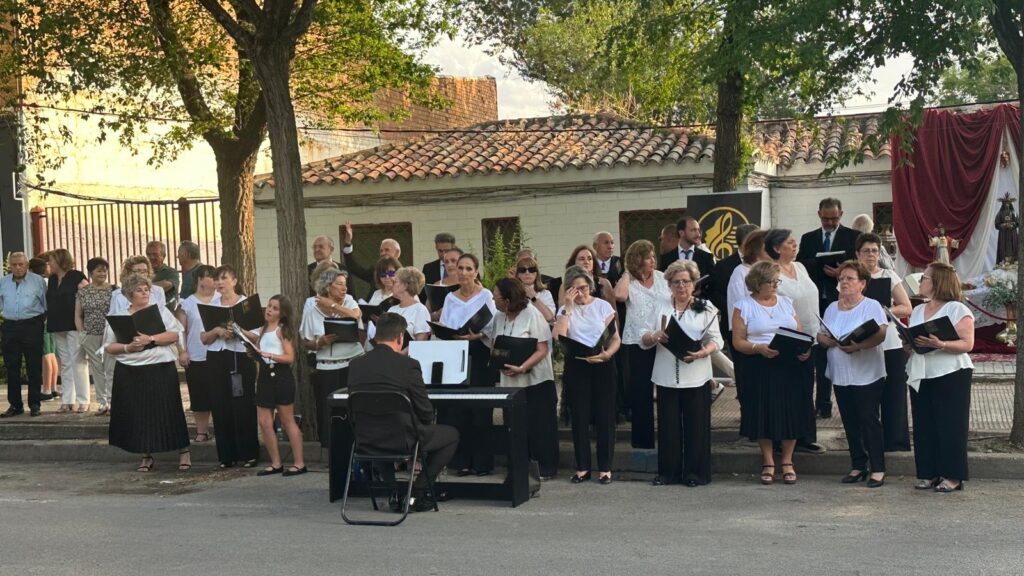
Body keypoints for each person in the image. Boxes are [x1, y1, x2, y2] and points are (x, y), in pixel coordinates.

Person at [347, 313, 460, 513]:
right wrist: (422, 421)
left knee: (379, 428)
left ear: (376, 336)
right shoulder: (408, 365)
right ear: (400, 337)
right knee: (451, 435)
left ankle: (392, 492)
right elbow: (425, 412)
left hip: (365, 439)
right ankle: (417, 491)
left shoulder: (356, 365)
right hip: (403, 439)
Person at [642, 261, 723, 486]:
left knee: (696, 427)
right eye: (676, 282)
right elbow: (643, 336)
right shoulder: (659, 305)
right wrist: (654, 336)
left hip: (696, 375)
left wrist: (703, 352)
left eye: (686, 281)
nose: (681, 286)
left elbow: (716, 339)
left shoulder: (705, 307)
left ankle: (695, 474)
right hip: (666, 374)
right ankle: (668, 473)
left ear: (694, 283)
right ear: (668, 284)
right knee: (668, 427)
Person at [732, 261, 813, 485]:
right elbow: (738, 342)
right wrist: (758, 348)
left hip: (788, 365)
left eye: (778, 281)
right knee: (763, 412)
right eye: (772, 282)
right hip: (760, 365)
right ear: (758, 284)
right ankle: (768, 461)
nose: (776, 285)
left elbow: (798, 332)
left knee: (791, 411)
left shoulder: (786, 302)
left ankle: (787, 461)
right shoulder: (743, 306)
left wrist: (803, 350)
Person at [104, 274, 190, 472]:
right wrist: (128, 348)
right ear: (129, 294)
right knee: (139, 414)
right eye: (139, 290)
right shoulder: (120, 316)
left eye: (146, 289)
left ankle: (183, 451)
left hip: (159, 367)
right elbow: (109, 346)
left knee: (168, 410)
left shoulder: (159, 311)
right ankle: (146, 455)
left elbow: (174, 334)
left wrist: (150, 339)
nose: (144, 293)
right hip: (130, 370)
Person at [817, 261, 889, 488]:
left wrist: (858, 346)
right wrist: (825, 340)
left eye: (849, 278)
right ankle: (858, 465)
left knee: (869, 419)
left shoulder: (872, 306)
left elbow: (881, 334)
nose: (844, 283)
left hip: (866, 371)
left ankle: (878, 468)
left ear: (862, 284)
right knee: (849, 421)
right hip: (840, 372)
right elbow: (821, 334)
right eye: (841, 279)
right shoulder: (831, 308)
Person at [907, 262, 974, 493]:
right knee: (924, 424)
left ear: (937, 283)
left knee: (950, 425)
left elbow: (967, 343)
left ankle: (953, 476)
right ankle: (928, 472)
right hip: (922, 371)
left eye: (924, 277)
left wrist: (941, 343)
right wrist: (909, 342)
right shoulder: (917, 310)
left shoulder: (957, 309)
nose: (921, 281)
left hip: (951, 372)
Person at [484, 278, 559, 479]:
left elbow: (542, 348)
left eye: (496, 297)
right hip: (510, 380)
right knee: (515, 425)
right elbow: (494, 342)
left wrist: (523, 367)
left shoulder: (532, 314)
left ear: (508, 299)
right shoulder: (499, 317)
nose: (493, 299)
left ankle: (545, 467)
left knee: (539, 425)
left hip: (535, 380)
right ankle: (519, 465)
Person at [554, 265, 621, 485]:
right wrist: (567, 307)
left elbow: (615, 338)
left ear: (590, 286)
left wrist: (607, 355)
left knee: (604, 416)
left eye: (583, 288)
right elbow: (559, 337)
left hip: (601, 362)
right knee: (579, 417)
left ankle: (605, 468)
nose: (580, 293)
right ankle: (582, 467)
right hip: (577, 364)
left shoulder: (602, 306)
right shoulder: (565, 310)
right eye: (574, 289)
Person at [797, 197, 859, 418]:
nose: (829, 223)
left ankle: (851, 404)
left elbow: (863, 269)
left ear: (841, 214)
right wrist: (819, 263)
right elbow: (800, 265)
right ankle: (822, 404)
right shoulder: (808, 238)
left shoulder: (854, 237)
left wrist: (843, 270)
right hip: (818, 303)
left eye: (834, 218)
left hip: (845, 304)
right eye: (825, 218)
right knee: (821, 353)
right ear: (819, 215)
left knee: (846, 352)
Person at [766, 229, 824, 454]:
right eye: (789, 243)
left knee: (806, 388)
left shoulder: (800, 267)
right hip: (787, 338)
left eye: (794, 242)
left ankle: (805, 436)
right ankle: (783, 437)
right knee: (786, 390)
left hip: (810, 335)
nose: (794, 245)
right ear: (777, 248)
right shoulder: (773, 271)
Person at [439, 253, 497, 476]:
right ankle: (460, 461)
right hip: (456, 353)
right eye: (459, 268)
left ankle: (482, 463)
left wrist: (478, 335)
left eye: (468, 268)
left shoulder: (486, 295)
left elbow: (492, 324)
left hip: (479, 353)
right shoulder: (449, 298)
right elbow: (444, 324)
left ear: (476, 271)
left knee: (480, 409)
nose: (463, 272)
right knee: (458, 410)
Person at [856, 232, 912, 451]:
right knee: (866, 395)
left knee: (894, 393)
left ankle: (895, 442)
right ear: (857, 254)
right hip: (863, 341)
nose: (871, 255)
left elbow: (906, 307)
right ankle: (867, 441)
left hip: (889, 343)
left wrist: (881, 311)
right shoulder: (850, 276)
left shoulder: (888, 274)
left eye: (875, 250)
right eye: (866, 250)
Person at [200, 265, 259, 468]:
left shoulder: (246, 304)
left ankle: (249, 453)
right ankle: (226, 455)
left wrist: (238, 330)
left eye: (224, 278)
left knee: (242, 404)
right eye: (216, 279)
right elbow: (203, 338)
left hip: (240, 357)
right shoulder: (210, 305)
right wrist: (217, 330)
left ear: (234, 281)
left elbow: (257, 336)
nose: (220, 282)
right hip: (217, 357)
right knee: (220, 404)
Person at [241, 295, 306, 477]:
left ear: (282, 313)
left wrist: (269, 355)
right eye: (269, 306)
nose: (270, 310)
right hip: (264, 376)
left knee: (286, 420)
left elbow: (289, 357)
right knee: (264, 422)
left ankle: (299, 463)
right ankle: (276, 462)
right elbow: (255, 342)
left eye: (275, 308)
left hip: (280, 375)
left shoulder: (282, 330)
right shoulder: (262, 329)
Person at [614, 239, 670, 449]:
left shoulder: (662, 277)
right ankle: (643, 442)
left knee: (664, 389)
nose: (653, 260)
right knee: (641, 391)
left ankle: (667, 438)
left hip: (662, 337)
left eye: (654, 256)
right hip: (637, 339)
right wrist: (628, 273)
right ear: (638, 260)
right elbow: (619, 296)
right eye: (648, 257)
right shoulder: (629, 281)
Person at [300, 268, 364, 446]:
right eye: (339, 285)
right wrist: (319, 343)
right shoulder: (312, 308)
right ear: (328, 287)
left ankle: (355, 445)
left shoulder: (349, 301)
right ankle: (332, 450)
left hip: (352, 361)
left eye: (345, 284)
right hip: (327, 365)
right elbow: (306, 341)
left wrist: (333, 306)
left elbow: (356, 316)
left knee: (352, 405)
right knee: (329, 407)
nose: (344, 288)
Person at [0, 252, 48, 418]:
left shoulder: (38, 281)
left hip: (32, 325)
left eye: (21, 264)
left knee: (33, 366)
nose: (18, 267)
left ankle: (34, 404)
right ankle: (15, 405)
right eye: (14, 264)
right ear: (10, 266)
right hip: (10, 326)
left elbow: (45, 304)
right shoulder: (3, 282)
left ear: (27, 265)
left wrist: (40, 323)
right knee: (12, 366)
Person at [176, 264, 219, 442]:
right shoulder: (187, 303)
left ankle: (222, 429)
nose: (214, 281)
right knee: (199, 395)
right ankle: (202, 431)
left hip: (218, 354)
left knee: (219, 394)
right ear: (200, 280)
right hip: (196, 355)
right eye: (209, 277)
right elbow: (179, 330)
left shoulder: (221, 299)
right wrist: (182, 351)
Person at [45, 248, 90, 413]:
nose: (49, 263)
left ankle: (83, 400)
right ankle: (68, 400)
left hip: (74, 324)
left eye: (52, 260)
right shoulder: (52, 279)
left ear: (61, 260)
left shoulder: (76, 276)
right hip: (57, 324)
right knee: (65, 362)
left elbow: (88, 294)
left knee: (78, 361)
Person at [707, 223, 759, 349]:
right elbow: (714, 293)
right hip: (734, 326)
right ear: (747, 242)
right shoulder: (723, 266)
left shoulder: (763, 262)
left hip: (759, 326)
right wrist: (732, 308)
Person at [75, 257, 115, 415]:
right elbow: (78, 315)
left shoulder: (114, 290)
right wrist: (82, 333)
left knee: (110, 368)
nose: (102, 273)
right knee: (97, 369)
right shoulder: (83, 291)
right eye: (99, 270)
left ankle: (113, 401)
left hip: (110, 334)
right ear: (90, 273)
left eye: (104, 270)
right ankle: (102, 402)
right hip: (90, 334)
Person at [28, 257, 59, 401]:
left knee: (45, 354)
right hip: (52, 321)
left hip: (42, 321)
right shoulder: (49, 282)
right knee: (51, 353)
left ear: (31, 269)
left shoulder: (37, 283)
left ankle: (46, 390)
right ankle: (53, 388)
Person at [341, 222, 402, 289]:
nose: (383, 253)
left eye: (387, 250)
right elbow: (353, 267)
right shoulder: (375, 271)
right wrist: (348, 242)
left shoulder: (405, 275)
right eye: (381, 251)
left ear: (397, 253)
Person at [385, 267, 431, 341]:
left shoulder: (420, 310)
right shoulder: (392, 309)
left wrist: (400, 353)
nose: (392, 285)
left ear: (405, 285)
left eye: (395, 282)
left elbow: (420, 341)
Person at [514, 256, 556, 323]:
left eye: (531, 269)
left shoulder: (545, 293)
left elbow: (549, 317)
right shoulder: (513, 293)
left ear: (536, 273)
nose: (527, 273)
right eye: (522, 270)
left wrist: (533, 297)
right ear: (518, 274)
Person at [147, 241, 181, 310]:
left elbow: (166, 285)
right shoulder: (142, 271)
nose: (151, 257)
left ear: (163, 256)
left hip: (166, 313)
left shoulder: (171, 272)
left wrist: (141, 287)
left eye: (155, 254)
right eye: (148, 254)